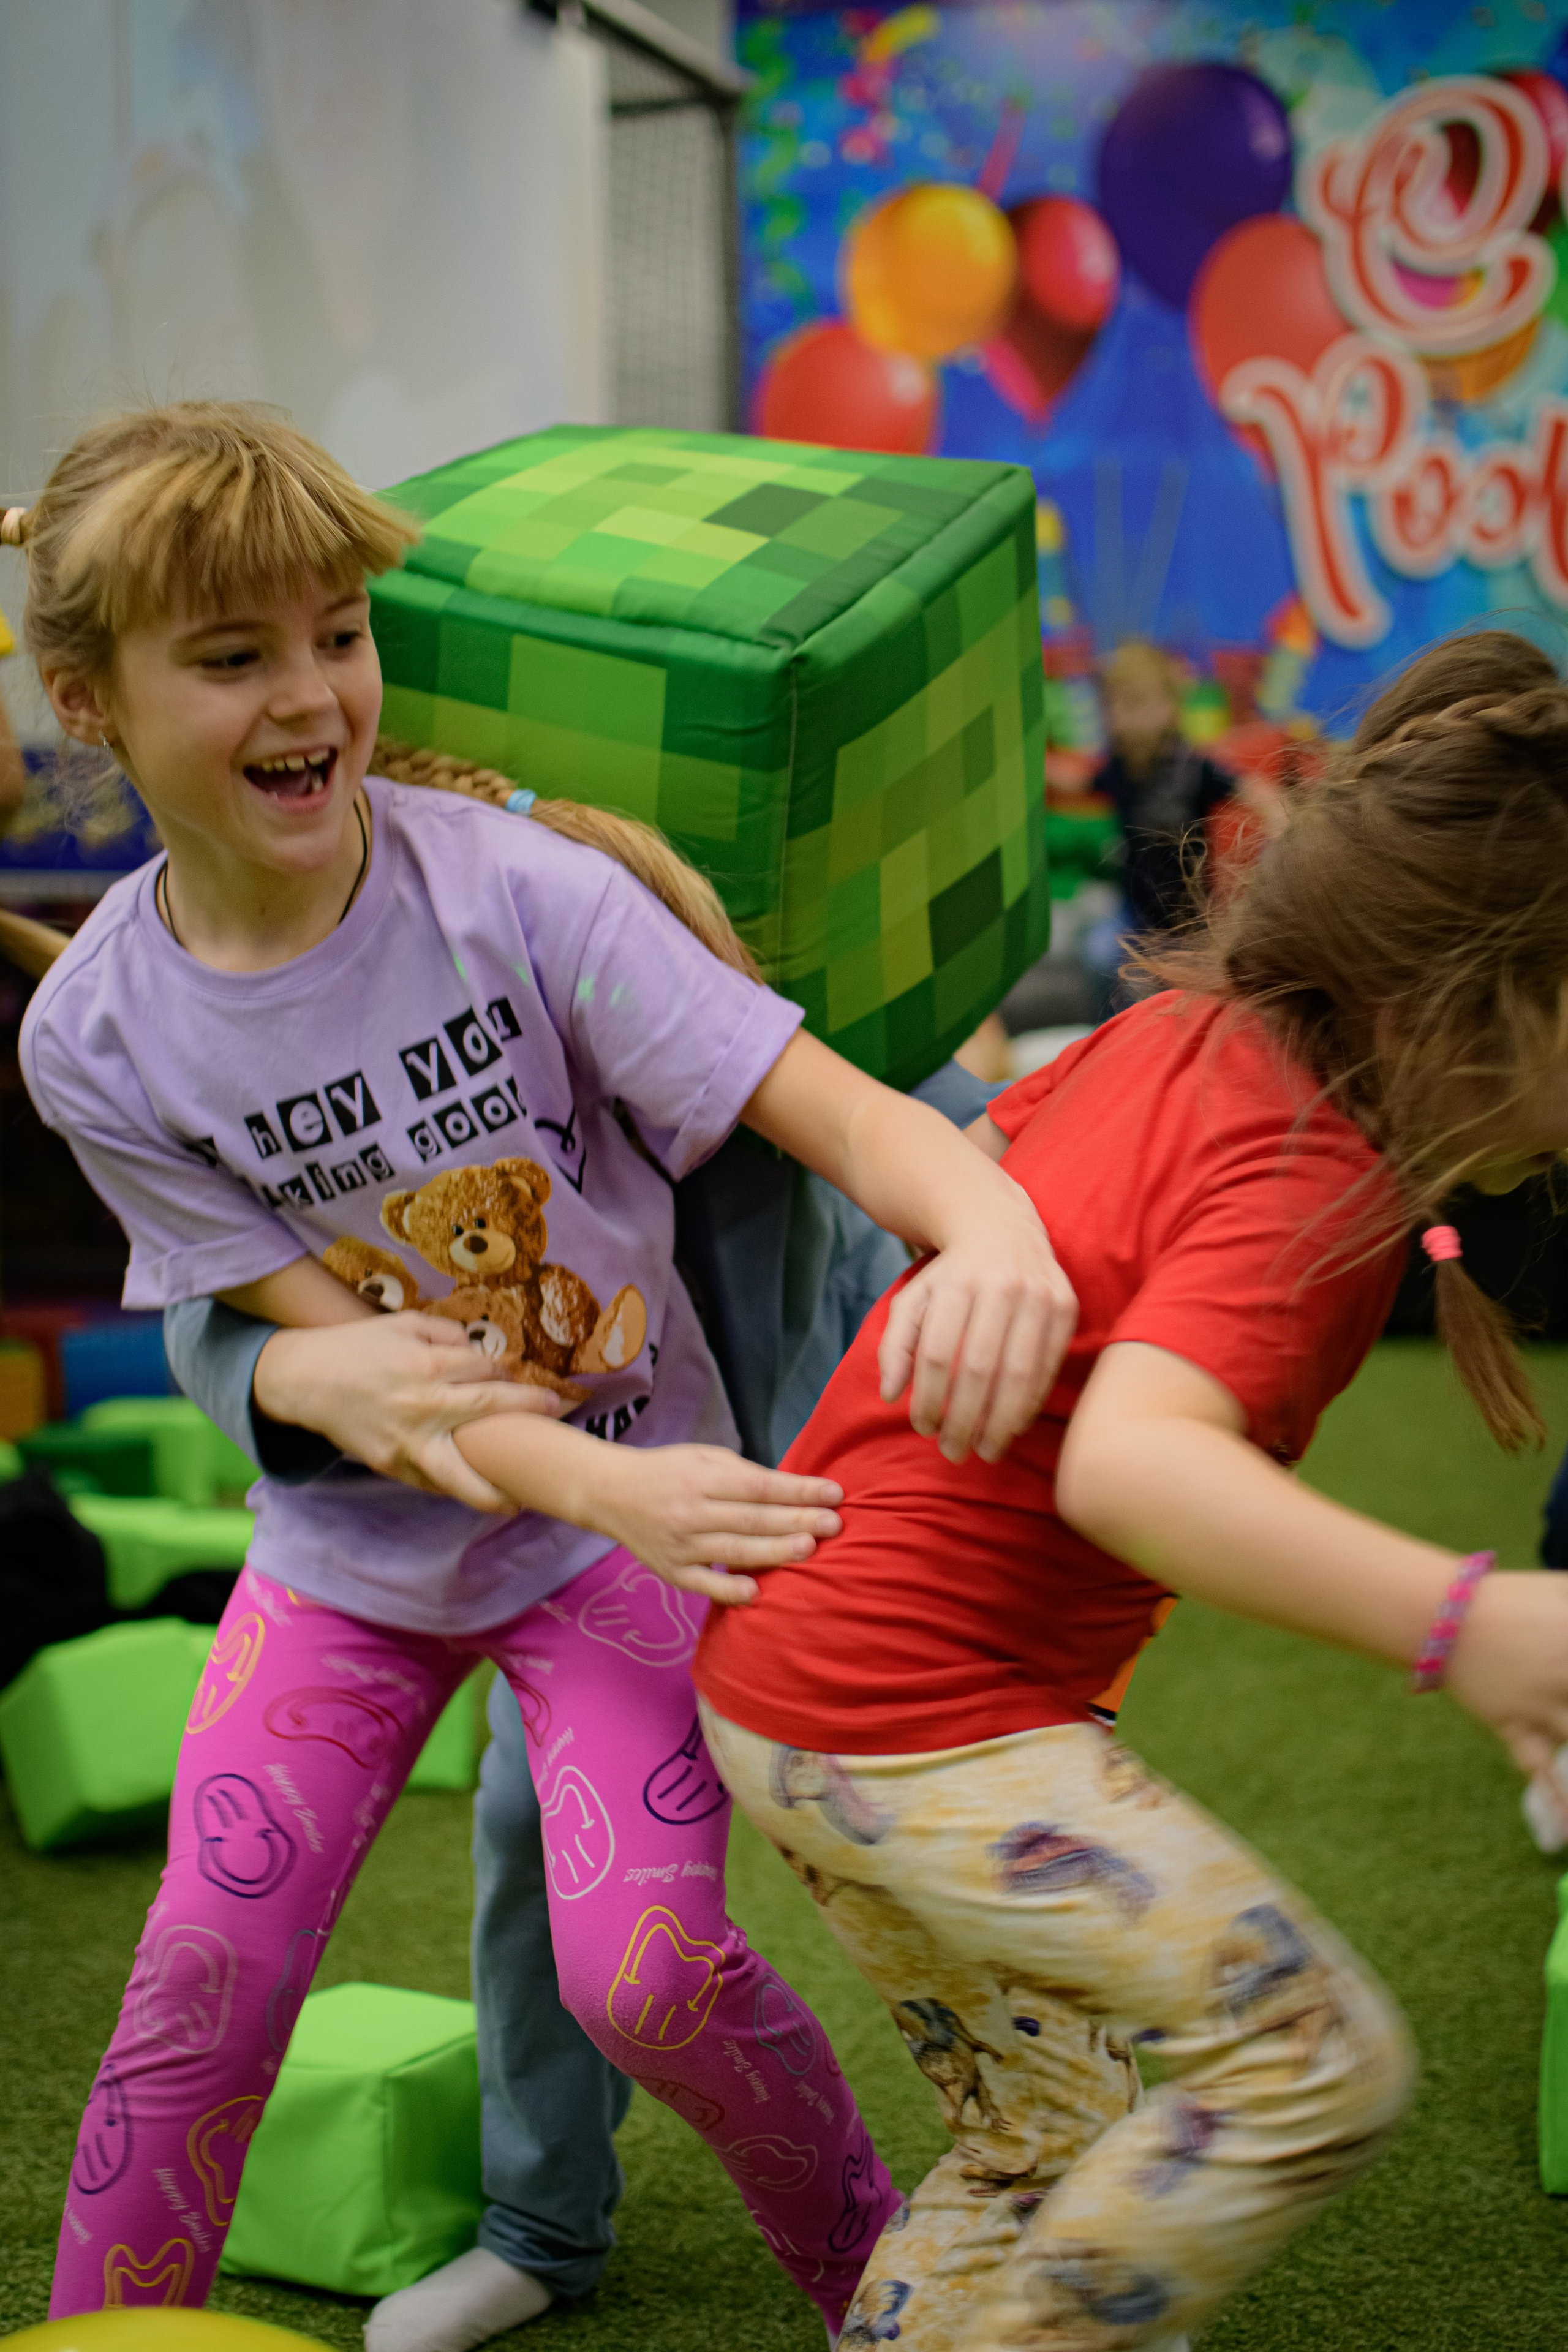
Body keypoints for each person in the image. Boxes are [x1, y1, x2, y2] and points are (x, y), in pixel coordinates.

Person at [10, 402, 1075, 2332]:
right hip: (370, 1564)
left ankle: (881, 2285)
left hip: (611, 1562)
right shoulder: (95, 1035)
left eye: (337, 629)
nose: (311, 688)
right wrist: (585, 1475)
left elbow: (835, 1110)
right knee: (197, 1984)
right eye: (233, 653)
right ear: (89, 702)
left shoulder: (522, 896)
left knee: (647, 1969)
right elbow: (362, 1374)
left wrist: (987, 1221)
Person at [685, 628, 1568, 2351]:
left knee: (1036, 2150)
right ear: (1461, 999)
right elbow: (1135, 1465)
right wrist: (1466, 1625)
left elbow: (997, 1149)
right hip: (907, 1712)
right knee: (1317, 2058)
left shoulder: (1191, 1029)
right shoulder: (1308, 1174)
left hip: (798, 1693)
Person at [165, 1044, 989, 2352]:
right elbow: (208, 1275)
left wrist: (989, 1185)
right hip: (561, 1524)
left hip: (820, 1480)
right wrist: (289, 1375)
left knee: (935, 1831)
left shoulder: (687, 964)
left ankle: (1068, 2217)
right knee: (536, 1835)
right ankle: (543, 2223)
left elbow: (921, 1085)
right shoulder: (374, 983)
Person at [1079, 639, 1234, 1020]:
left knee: (1187, 997)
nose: (1120, 717)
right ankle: (1110, 1038)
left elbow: (1244, 788)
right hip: (1135, 914)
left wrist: (1281, 820)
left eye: (1133, 704)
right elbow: (1082, 785)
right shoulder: (1118, 768)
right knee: (1099, 955)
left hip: (1189, 918)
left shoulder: (1190, 767)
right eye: (1112, 705)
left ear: (1168, 708)